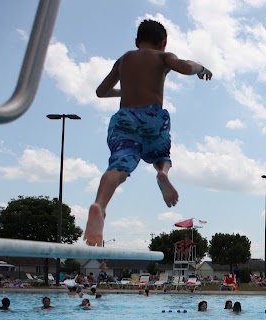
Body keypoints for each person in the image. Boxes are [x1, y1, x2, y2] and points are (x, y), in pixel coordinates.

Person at [84, 19, 213, 246]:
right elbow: (184, 66)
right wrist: (200, 68)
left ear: (136, 41)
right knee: (162, 155)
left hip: (125, 118)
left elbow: (100, 92)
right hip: (153, 118)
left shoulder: (124, 60)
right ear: (163, 42)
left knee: (119, 166)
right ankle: (162, 173)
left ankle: (100, 206)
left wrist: (125, 92)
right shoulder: (163, 57)